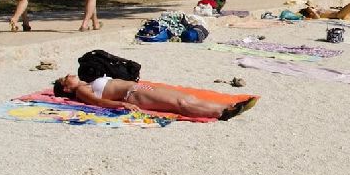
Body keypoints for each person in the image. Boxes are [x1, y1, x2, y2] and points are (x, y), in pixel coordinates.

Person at [53, 74, 256, 120]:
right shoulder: (81, 91)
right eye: (65, 80)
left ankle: (229, 105)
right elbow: (97, 102)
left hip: (138, 88)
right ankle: (221, 112)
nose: (69, 75)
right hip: (133, 94)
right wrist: (119, 105)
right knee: (179, 103)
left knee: (183, 97)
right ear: (67, 89)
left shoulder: (86, 83)